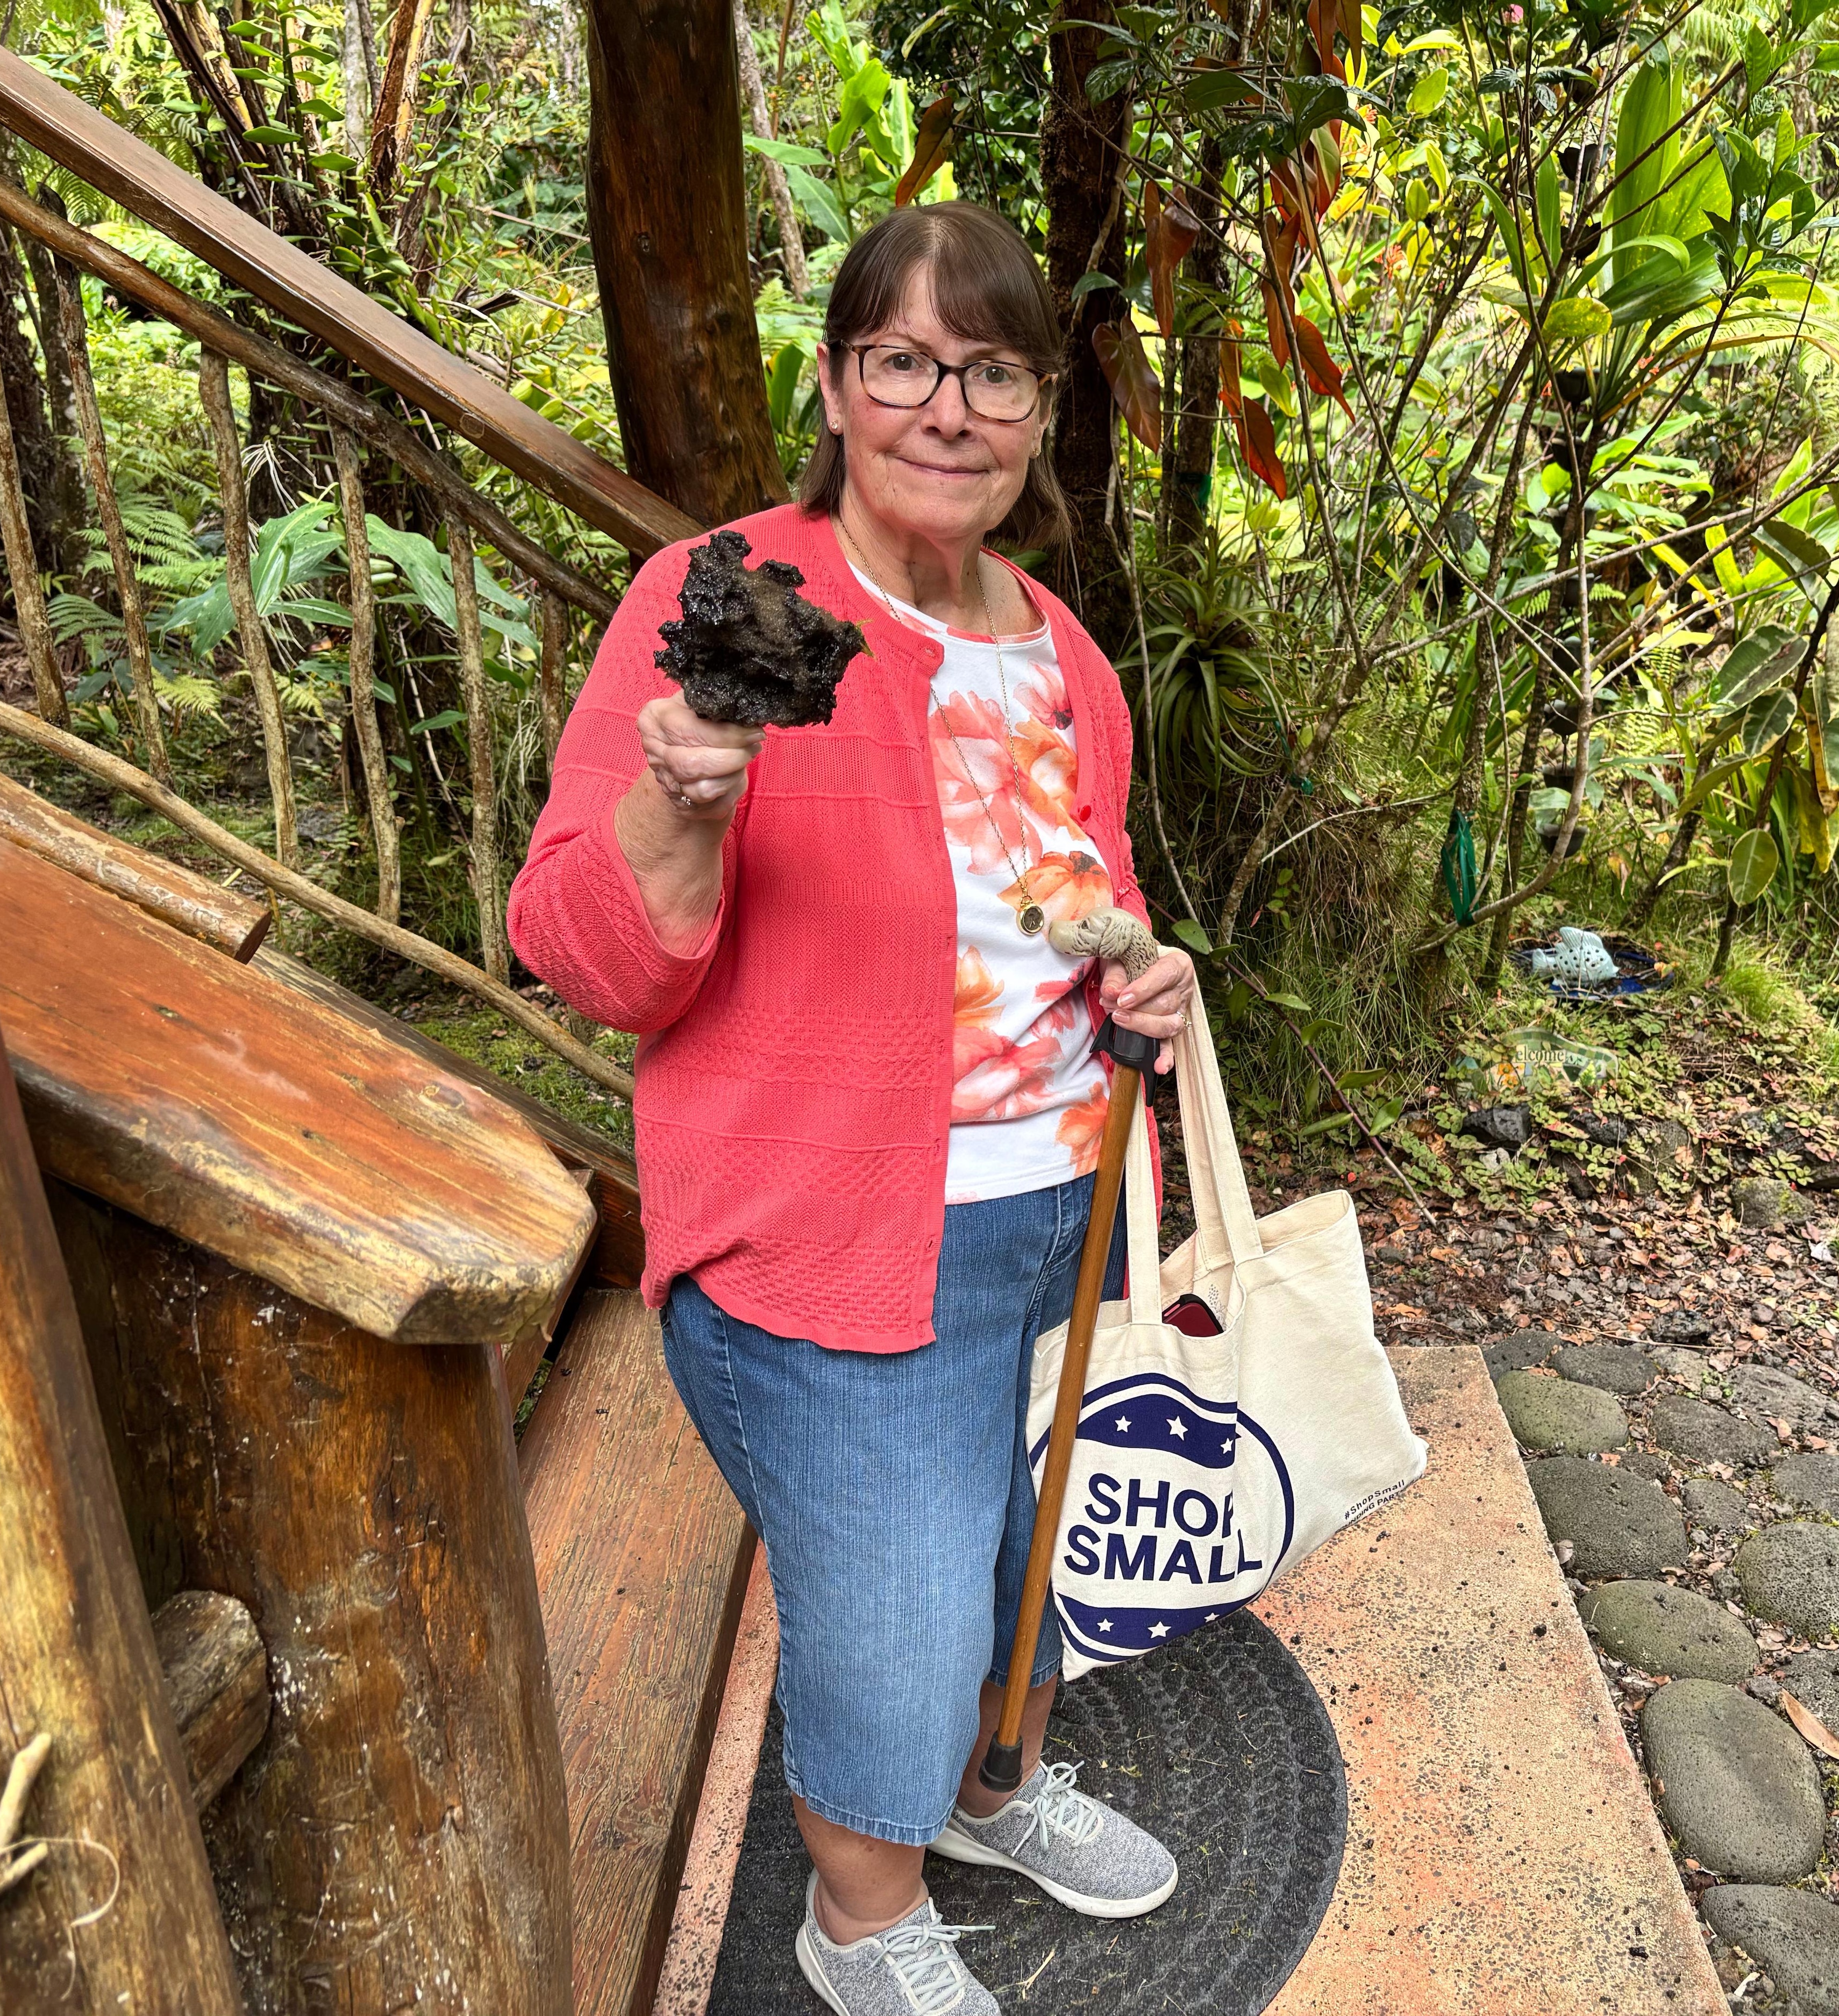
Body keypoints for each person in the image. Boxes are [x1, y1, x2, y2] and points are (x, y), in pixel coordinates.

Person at [507, 200, 1196, 2016]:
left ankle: (989, 1791)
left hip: (1048, 1198)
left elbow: (1059, 886)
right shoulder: (729, 604)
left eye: (990, 371)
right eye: (901, 361)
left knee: (996, 1530)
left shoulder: (1060, 650)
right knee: (887, 1613)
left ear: (1041, 407)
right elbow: (584, 950)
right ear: (835, 383)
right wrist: (685, 802)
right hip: (825, 1227)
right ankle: (864, 1919)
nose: (944, 408)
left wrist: (1139, 964)